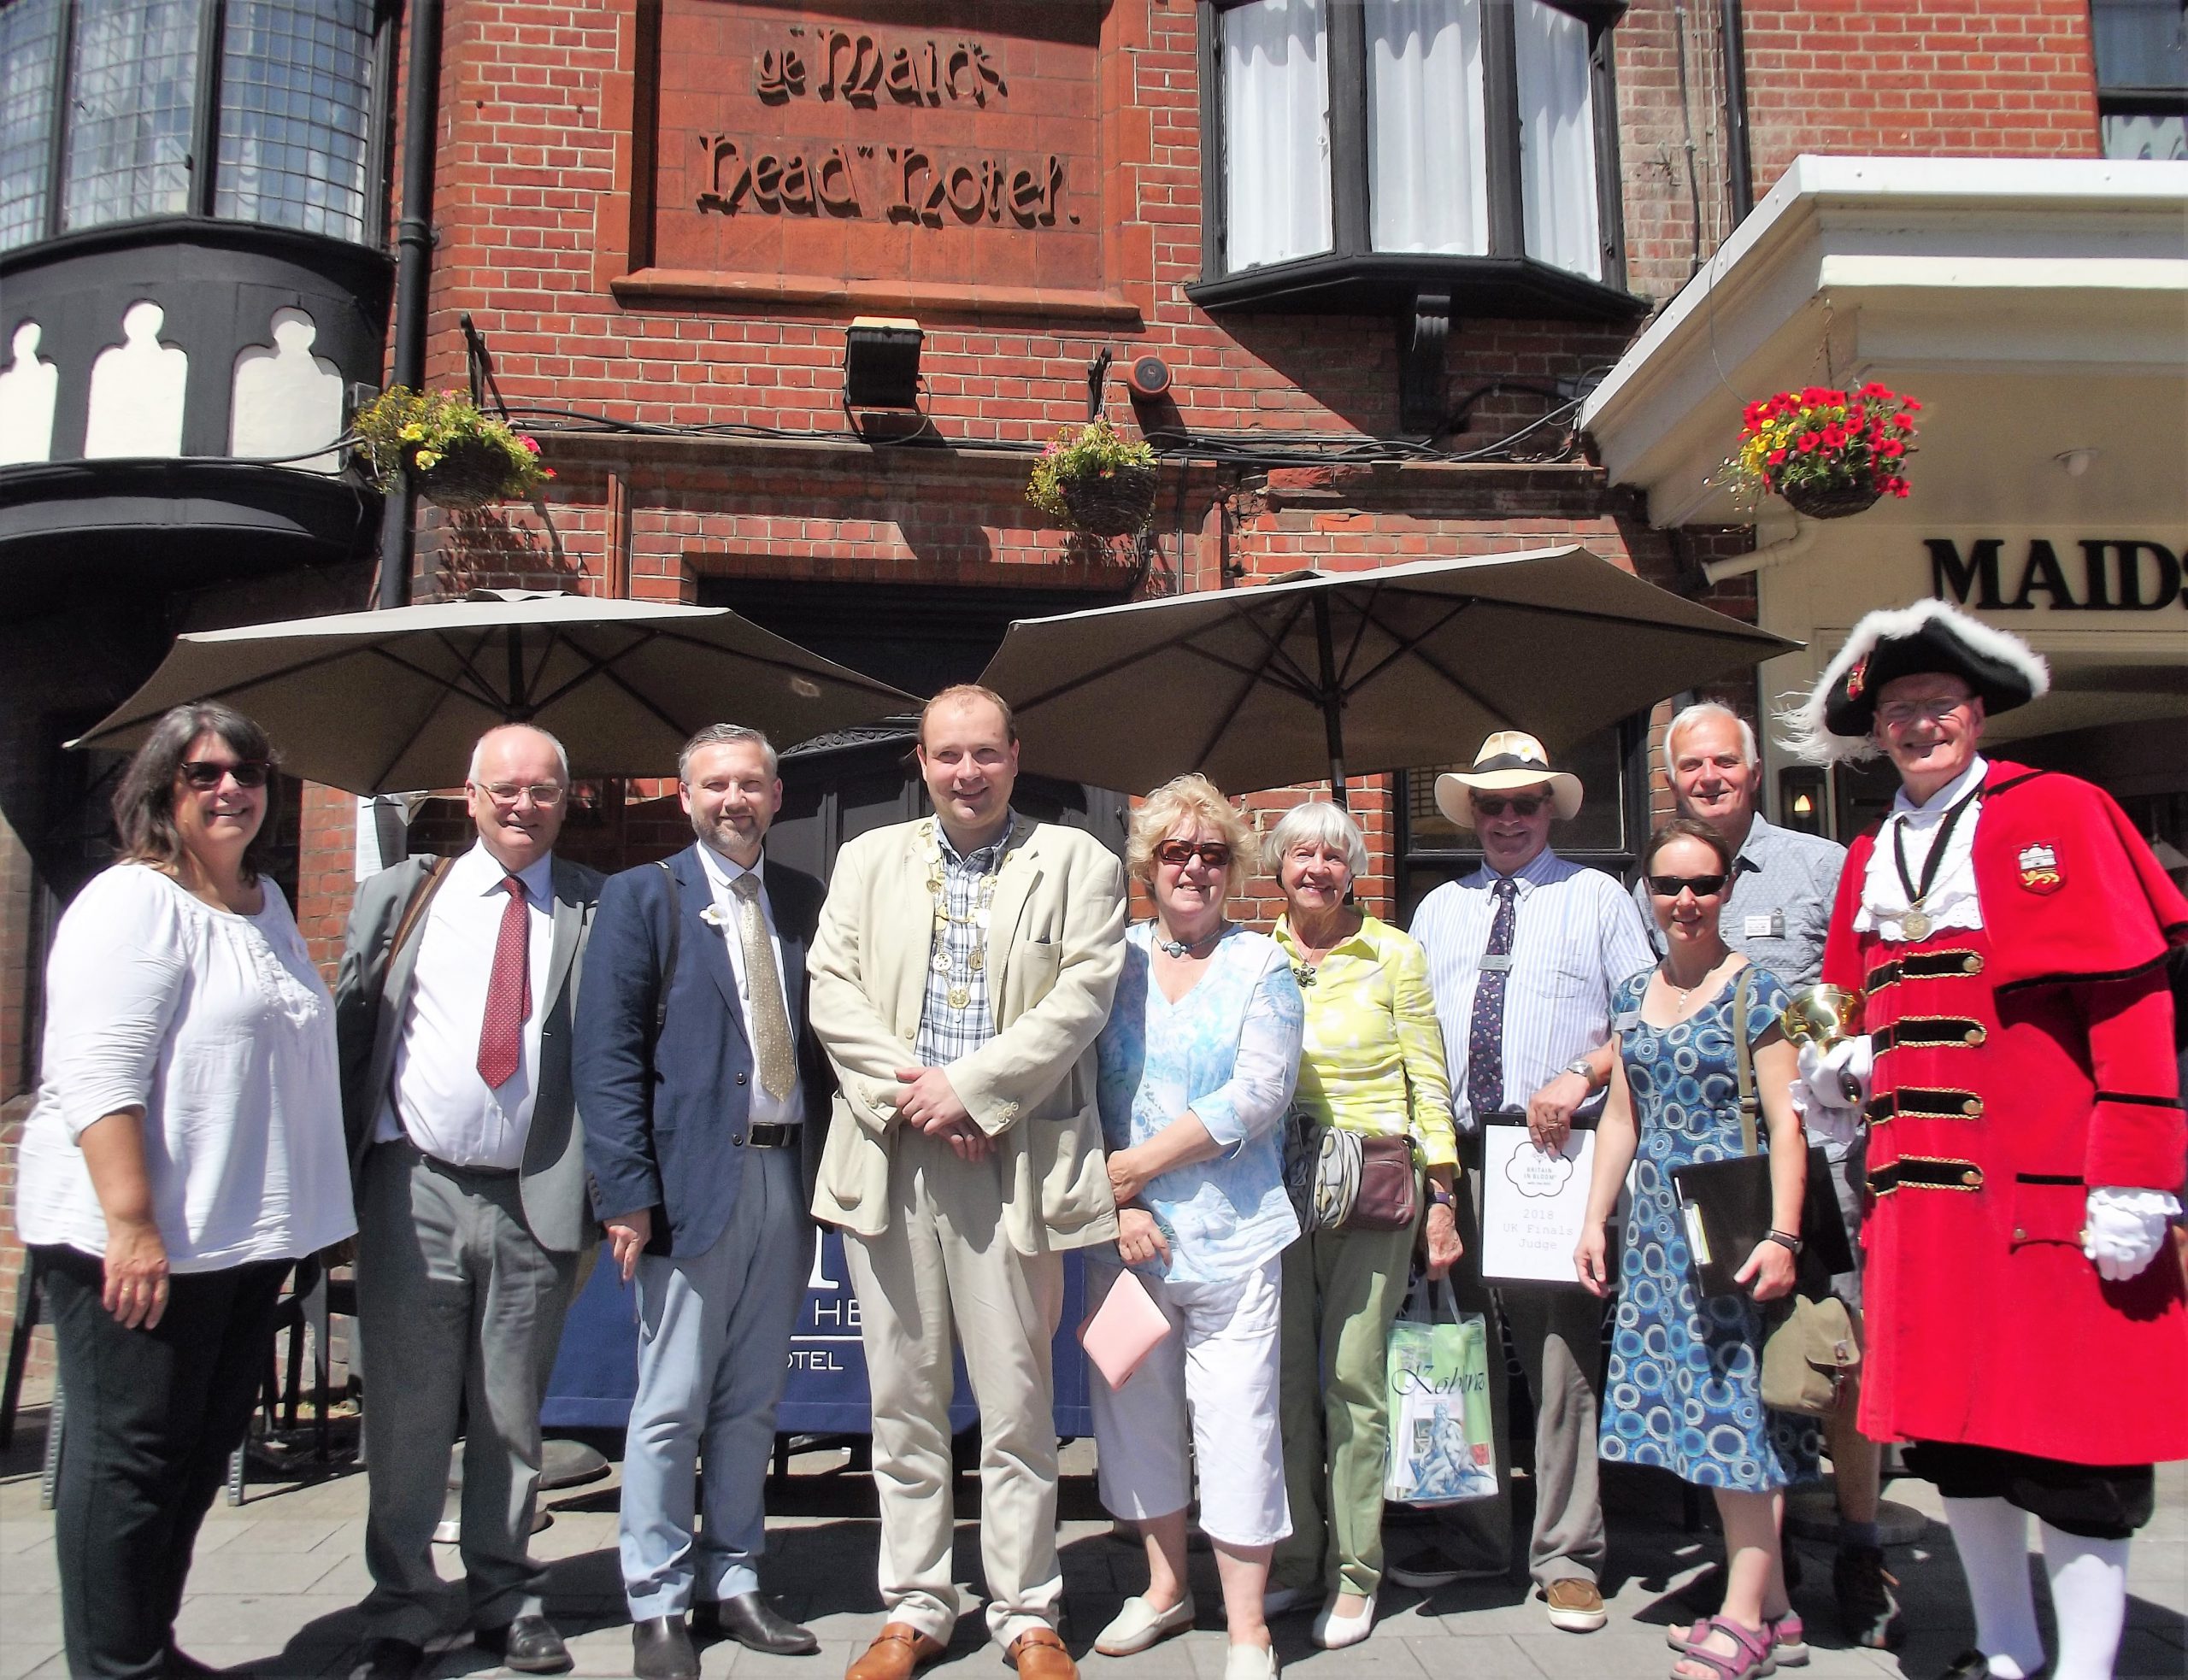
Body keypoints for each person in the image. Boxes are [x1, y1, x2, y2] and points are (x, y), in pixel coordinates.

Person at [1782, 599, 2187, 1680]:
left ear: (1977, 713)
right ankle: (2004, 1646)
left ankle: (2091, 1664)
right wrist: (1832, 1059)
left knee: (2077, 1449)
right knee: (1962, 1442)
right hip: (1924, 1211)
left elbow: (2133, 1009)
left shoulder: (2062, 812)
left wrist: (2139, 1180)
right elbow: (1837, 994)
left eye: (1939, 706)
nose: (1920, 727)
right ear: (1876, 735)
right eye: (1900, 712)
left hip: (2048, 1199)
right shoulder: (1869, 851)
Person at [15, 702, 355, 1678]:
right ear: (163, 787)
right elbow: (97, 1072)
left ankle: (149, 1647)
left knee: (197, 1455)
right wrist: (130, 1224)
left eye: (247, 772)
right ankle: (111, 1664)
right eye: (204, 773)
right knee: (129, 1464)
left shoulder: (263, 901)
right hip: (144, 1243)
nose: (229, 789)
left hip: (236, 1240)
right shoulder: (132, 904)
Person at [809, 684, 1126, 1680]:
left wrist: (973, 1090)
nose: (967, 773)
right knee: (903, 1399)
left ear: (1015, 756)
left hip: (1013, 1161)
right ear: (921, 760)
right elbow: (831, 988)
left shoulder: (1079, 861)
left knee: (1016, 1400)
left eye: (984, 753)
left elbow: (1081, 996)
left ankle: (1026, 1609)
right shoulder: (866, 863)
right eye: (948, 756)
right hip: (893, 1154)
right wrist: (917, 1096)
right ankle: (914, 1604)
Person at [338, 724, 603, 1680]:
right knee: (405, 1406)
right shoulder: (403, 896)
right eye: (504, 789)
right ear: (470, 793)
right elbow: (351, 1030)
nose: (522, 805)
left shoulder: (593, 906)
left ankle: (503, 1589)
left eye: (541, 790)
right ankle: (404, 1599)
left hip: (536, 1193)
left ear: (565, 800)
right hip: (414, 1185)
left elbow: (610, 1058)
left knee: (509, 1409)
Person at [1635, 703, 1897, 1649]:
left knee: (1838, 1363)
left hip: (1818, 1158)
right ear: (1671, 781)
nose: (1706, 776)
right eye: (1689, 765)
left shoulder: (1818, 869)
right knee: (1739, 1377)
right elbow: (1650, 1014)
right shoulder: (1660, 883)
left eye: (1722, 762)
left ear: (1752, 769)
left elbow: (1855, 996)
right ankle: (1767, 1587)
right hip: (1714, 1180)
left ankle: (1859, 1547)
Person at [576, 725, 830, 1677]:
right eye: (715, 784)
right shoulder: (642, 898)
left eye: (751, 783)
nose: (735, 799)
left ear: (776, 795)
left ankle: (733, 1578)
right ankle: (655, 1595)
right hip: (688, 1187)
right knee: (670, 1401)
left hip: (784, 1179)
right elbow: (606, 1060)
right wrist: (627, 1194)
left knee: (752, 1401)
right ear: (684, 797)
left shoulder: (801, 900)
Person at [1399, 731, 1656, 1634]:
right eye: (1493, 805)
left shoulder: (1597, 899)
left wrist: (1581, 1074)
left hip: (1555, 1154)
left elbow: (1647, 1022)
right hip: (1458, 1157)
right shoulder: (1438, 911)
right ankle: (1475, 1535)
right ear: (1473, 813)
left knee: (1559, 1359)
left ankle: (1566, 1554)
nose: (1508, 818)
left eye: (1525, 803)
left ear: (1550, 810)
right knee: (1460, 1348)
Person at [1579, 819, 1816, 1680]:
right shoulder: (1634, 991)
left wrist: (1786, 1234)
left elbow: (1790, 1125)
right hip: (1655, 1236)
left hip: (1731, 1228)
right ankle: (1780, 1609)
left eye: (1704, 885)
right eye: (1669, 885)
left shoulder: (1762, 991)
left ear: (1725, 891)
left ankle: (1742, 1616)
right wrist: (1591, 1218)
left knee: (1732, 1422)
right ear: (1646, 891)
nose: (1686, 901)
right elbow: (1620, 1116)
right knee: (1701, 1416)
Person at [1085, 775, 1303, 1680]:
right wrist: (1122, 1200)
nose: (1194, 868)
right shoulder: (1114, 961)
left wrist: (1138, 1167)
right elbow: (1080, 1090)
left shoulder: (1265, 965)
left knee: (1236, 1421)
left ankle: (1247, 1625)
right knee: (1134, 1412)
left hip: (1234, 1238)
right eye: (1176, 851)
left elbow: (1257, 1094)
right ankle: (1167, 1587)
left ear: (1234, 868)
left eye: (1212, 854)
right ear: (1148, 864)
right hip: (1126, 1241)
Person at [1263, 799, 1460, 1650]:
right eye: (1300, 854)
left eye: (1331, 856)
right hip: (1275, 1185)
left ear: (1354, 869)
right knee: (1284, 1385)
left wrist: (1443, 1195)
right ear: (1278, 867)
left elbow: (1427, 1074)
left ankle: (1355, 1571)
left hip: (1374, 1185)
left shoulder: (1394, 954)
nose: (1316, 868)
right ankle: (1296, 1557)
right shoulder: (1253, 954)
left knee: (1352, 1379)